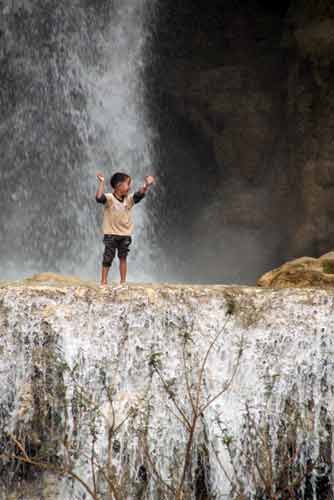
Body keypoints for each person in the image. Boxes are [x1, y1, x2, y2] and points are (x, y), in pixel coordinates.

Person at [95, 171, 155, 285]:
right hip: (111, 234)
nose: (130, 187)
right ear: (118, 186)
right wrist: (102, 183)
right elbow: (98, 198)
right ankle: (103, 281)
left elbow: (139, 194)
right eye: (128, 184)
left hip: (125, 234)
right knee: (108, 258)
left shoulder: (129, 199)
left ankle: (123, 282)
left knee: (123, 258)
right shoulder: (109, 198)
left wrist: (146, 185)